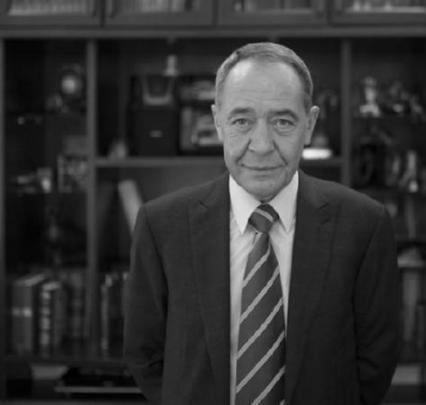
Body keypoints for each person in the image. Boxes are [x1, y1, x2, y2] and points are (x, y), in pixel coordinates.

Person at [124, 42, 400, 405]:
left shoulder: (364, 225)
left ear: (309, 124)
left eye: (282, 122)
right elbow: (145, 354)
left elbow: (376, 360)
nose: (262, 145)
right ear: (218, 122)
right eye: (242, 121)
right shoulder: (161, 226)